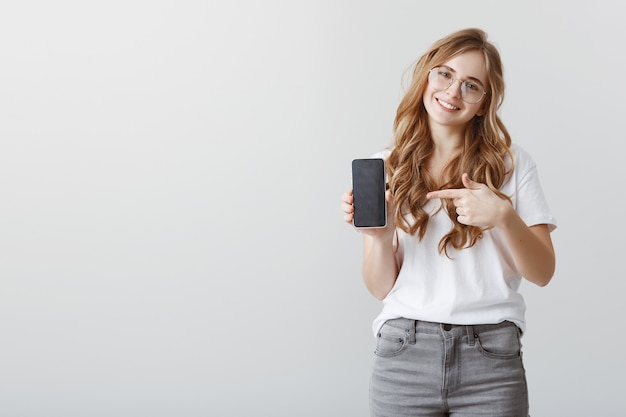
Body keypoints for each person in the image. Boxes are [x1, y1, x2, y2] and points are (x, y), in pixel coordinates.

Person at [340, 28, 556, 417]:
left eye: (471, 85)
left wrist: (503, 217)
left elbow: (542, 273)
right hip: (403, 352)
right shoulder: (388, 165)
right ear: (427, 76)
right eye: (445, 74)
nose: (453, 92)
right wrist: (378, 236)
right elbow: (380, 288)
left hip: (491, 357)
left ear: (483, 101)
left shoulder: (512, 164)